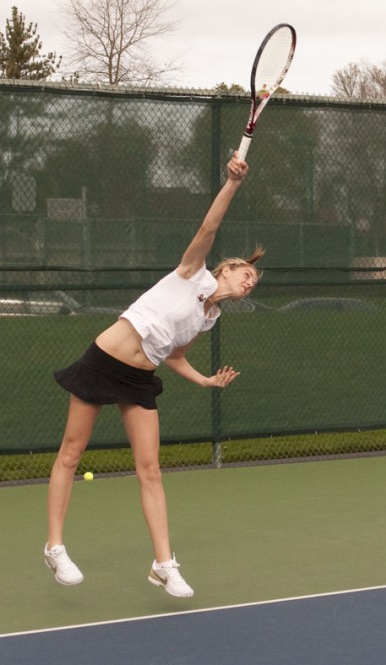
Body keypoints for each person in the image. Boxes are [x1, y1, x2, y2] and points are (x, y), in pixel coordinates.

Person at [44, 151, 264, 598]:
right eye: (246, 273)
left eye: (254, 283)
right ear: (227, 268)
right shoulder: (191, 273)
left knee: (150, 470)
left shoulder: (210, 317)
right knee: (71, 453)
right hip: (104, 360)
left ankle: (164, 564)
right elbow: (209, 227)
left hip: (139, 379)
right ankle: (54, 547)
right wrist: (232, 184)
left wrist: (203, 380)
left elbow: (173, 355)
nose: (249, 282)